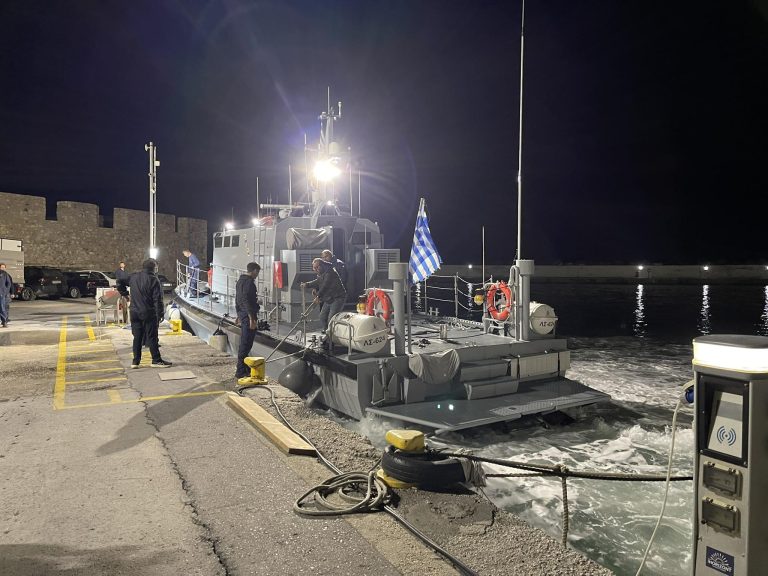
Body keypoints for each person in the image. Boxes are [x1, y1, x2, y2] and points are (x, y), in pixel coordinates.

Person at [122, 258, 172, 369]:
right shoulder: (154, 280)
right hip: (148, 312)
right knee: (152, 337)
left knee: (137, 337)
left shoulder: (133, 277)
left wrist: (124, 293)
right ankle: (156, 360)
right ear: (154, 268)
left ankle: (135, 362)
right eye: (156, 268)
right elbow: (157, 299)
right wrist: (160, 314)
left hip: (134, 312)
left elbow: (120, 281)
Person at [301, 258, 346, 332]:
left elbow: (325, 285)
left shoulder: (330, 272)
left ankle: (331, 335)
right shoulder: (322, 273)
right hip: (329, 298)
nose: (314, 269)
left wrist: (318, 296)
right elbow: (318, 281)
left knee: (331, 318)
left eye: (316, 267)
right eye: (314, 268)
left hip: (337, 298)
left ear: (321, 266)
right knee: (322, 317)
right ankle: (327, 332)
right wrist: (307, 284)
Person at [235, 262, 261, 379]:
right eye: (257, 272)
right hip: (248, 315)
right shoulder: (249, 283)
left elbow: (238, 299)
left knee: (245, 343)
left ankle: (244, 367)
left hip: (242, 313)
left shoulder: (240, 281)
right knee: (246, 343)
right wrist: (251, 317)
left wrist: (238, 314)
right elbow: (245, 299)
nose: (257, 275)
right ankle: (240, 371)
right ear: (254, 271)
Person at [0, 263, 12, 328]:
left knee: (2, 308)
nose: (2, 268)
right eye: (1, 267)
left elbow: (9, 283)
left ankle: (4, 321)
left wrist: (6, 291)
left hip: (2, 294)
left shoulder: (5, 274)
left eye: (3, 267)